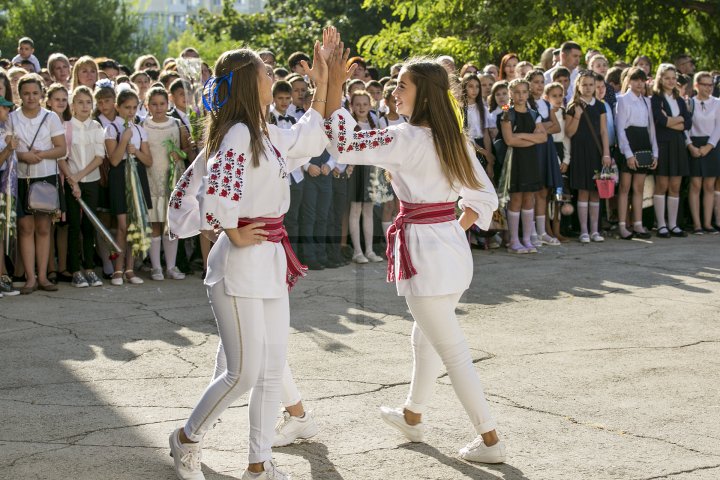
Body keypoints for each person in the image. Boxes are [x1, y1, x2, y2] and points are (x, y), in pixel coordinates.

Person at [166, 28, 338, 480]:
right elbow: (217, 188)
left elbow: (308, 139)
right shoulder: (238, 131)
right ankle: (185, 439)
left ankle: (259, 463)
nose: (273, 73)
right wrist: (230, 228)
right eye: (266, 70)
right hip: (240, 265)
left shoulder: (262, 130)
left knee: (269, 367)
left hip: (270, 260)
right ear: (247, 80)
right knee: (241, 374)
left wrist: (322, 81)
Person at [324, 52, 505, 463]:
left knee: (452, 350)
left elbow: (344, 144)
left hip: (426, 253)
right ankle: (413, 414)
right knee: (425, 335)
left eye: (402, 85)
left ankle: (491, 438)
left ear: (423, 95)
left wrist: (333, 84)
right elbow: (485, 198)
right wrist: (449, 230)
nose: (393, 92)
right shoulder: (451, 138)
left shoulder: (402, 137)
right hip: (450, 252)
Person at [12, 73, 67, 294]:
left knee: (44, 228)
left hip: (45, 176)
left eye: (35, 93)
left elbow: (62, 149)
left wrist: (41, 154)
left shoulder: (51, 117)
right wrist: (22, 156)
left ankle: (43, 277)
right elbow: (7, 146)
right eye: (26, 93)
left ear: (42, 94)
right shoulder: (12, 118)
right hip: (21, 177)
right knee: (25, 228)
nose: (31, 97)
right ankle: (30, 278)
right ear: (20, 95)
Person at [104, 86, 153, 286]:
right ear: (118, 107)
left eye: (134, 107)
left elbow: (148, 160)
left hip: (137, 175)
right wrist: (124, 141)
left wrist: (136, 152)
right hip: (119, 176)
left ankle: (130, 269)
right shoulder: (111, 128)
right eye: (126, 108)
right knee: (122, 226)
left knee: (135, 222)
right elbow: (114, 160)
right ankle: (117, 269)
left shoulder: (140, 129)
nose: (130, 112)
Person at [57, 86, 105, 287]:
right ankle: (75, 269)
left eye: (88, 102)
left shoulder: (96, 127)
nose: (85, 106)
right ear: (72, 105)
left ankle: (90, 268)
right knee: (74, 226)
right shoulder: (67, 126)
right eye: (80, 102)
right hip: (71, 182)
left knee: (89, 226)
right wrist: (72, 180)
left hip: (90, 181)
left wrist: (79, 177)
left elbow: (99, 158)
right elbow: (62, 157)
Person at [143, 86, 188, 280]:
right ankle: (156, 267)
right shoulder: (143, 125)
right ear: (147, 105)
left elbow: (187, 148)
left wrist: (178, 154)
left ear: (168, 104)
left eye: (162, 104)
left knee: (171, 224)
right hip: (152, 176)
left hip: (172, 177)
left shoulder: (177, 124)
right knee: (155, 222)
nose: (158, 108)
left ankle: (171, 266)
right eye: (154, 104)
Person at [499, 78, 547, 254]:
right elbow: (509, 140)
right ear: (511, 93)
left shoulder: (534, 113)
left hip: (531, 160)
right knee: (516, 199)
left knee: (529, 198)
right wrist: (531, 138)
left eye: (524, 92)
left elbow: (543, 137)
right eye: (517, 92)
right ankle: (513, 240)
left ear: (528, 93)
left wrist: (522, 136)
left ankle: (527, 239)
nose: (521, 96)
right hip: (515, 160)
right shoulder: (507, 112)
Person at [565, 71, 611, 243]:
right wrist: (577, 115)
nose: (588, 88)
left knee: (596, 192)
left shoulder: (600, 106)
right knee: (583, 192)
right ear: (578, 86)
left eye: (591, 84)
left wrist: (606, 153)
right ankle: (583, 231)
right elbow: (569, 132)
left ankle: (594, 230)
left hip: (596, 152)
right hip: (579, 152)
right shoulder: (573, 106)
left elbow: (604, 131)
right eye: (584, 84)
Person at [615, 66, 658, 239]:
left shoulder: (647, 101)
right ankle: (623, 225)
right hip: (629, 144)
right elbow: (620, 129)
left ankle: (638, 224)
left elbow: (651, 129)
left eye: (642, 80)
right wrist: (628, 154)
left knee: (639, 187)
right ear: (629, 81)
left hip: (643, 142)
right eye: (635, 80)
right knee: (625, 187)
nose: (639, 83)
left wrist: (655, 153)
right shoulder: (623, 100)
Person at [650, 64, 691, 238]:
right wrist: (678, 121)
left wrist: (673, 120)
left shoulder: (680, 99)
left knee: (675, 185)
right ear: (660, 78)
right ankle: (661, 225)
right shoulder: (656, 99)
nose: (671, 81)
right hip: (663, 144)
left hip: (678, 145)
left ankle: (673, 224)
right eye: (667, 77)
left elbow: (687, 123)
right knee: (662, 185)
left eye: (674, 78)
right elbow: (661, 121)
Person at [347, 89, 383, 263]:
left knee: (368, 210)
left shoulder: (374, 123)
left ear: (370, 105)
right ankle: (357, 251)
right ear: (351, 106)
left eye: (365, 104)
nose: (361, 107)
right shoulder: (348, 124)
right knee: (355, 210)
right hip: (356, 170)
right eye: (357, 104)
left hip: (371, 169)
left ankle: (369, 250)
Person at [526, 69, 561, 247]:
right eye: (535, 82)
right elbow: (505, 113)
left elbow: (557, 127)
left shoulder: (546, 104)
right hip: (530, 149)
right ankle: (530, 232)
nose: (539, 85)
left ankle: (541, 232)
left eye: (541, 82)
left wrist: (540, 128)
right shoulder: (523, 102)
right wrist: (542, 127)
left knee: (543, 191)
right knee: (530, 191)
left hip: (546, 149)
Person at [686, 72, 720, 234]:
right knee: (695, 185)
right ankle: (697, 224)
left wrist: (709, 146)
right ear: (696, 86)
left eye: (711, 85)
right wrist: (691, 146)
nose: (709, 88)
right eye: (705, 85)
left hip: (711, 146)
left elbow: (718, 127)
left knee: (709, 185)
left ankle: (707, 223)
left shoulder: (717, 103)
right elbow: (685, 127)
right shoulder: (689, 103)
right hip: (694, 144)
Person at [0, 94, 20, 296]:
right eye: (4, 108)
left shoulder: (4, 130)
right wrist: (8, 148)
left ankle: (2, 276)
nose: (7, 111)